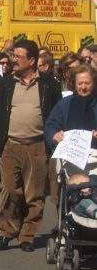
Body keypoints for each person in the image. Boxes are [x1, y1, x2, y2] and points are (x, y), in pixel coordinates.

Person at [0, 39, 61, 252]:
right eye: (13, 56)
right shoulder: (6, 83)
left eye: (18, 57)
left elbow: (56, 115)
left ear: (32, 61)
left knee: (34, 195)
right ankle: (7, 231)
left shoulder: (49, 84)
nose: (14, 60)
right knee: (10, 191)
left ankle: (27, 236)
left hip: (37, 146)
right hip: (10, 145)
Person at [45, 64, 97, 209]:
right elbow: (51, 125)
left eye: (87, 83)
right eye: (80, 83)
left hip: (95, 155)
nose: (83, 87)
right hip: (71, 156)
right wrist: (55, 135)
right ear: (74, 84)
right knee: (76, 183)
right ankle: (83, 210)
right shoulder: (65, 104)